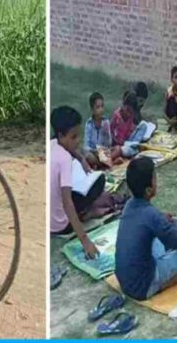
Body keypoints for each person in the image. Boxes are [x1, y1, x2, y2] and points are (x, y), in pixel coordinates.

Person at [115, 156, 177, 300]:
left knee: (155, 238)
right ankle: (161, 284)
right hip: (142, 286)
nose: (157, 182)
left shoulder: (129, 205)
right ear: (148, 190)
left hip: (125, 280)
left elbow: (147, 223)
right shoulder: (152, 215)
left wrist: (162, 220)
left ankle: (161, 272)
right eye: (155, 179)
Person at [50, 106, 106, 258]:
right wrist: (85, 240)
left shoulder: (51, 144)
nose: (78, 141)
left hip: (49, 221)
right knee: (99, 180)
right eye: (73, 137)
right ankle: (85, 214)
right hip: (62, 226)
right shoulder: (64, 159)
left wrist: (81, 159)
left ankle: (85, 213)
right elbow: (68, 203)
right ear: (61, 136)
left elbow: (70, 149)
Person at [83, 92, 113, 169]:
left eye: (102, 106)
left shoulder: (106, 122)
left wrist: (106, 133)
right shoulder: (89, 124)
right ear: (92, 109)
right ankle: (103, 164)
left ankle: (100, 164)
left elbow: (109, 144)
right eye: (98, 107)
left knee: (117, 149)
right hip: (93, 153)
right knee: (87, 156)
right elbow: (86, 146)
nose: (101, 109)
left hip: (103, 152)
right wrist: (95, 151)